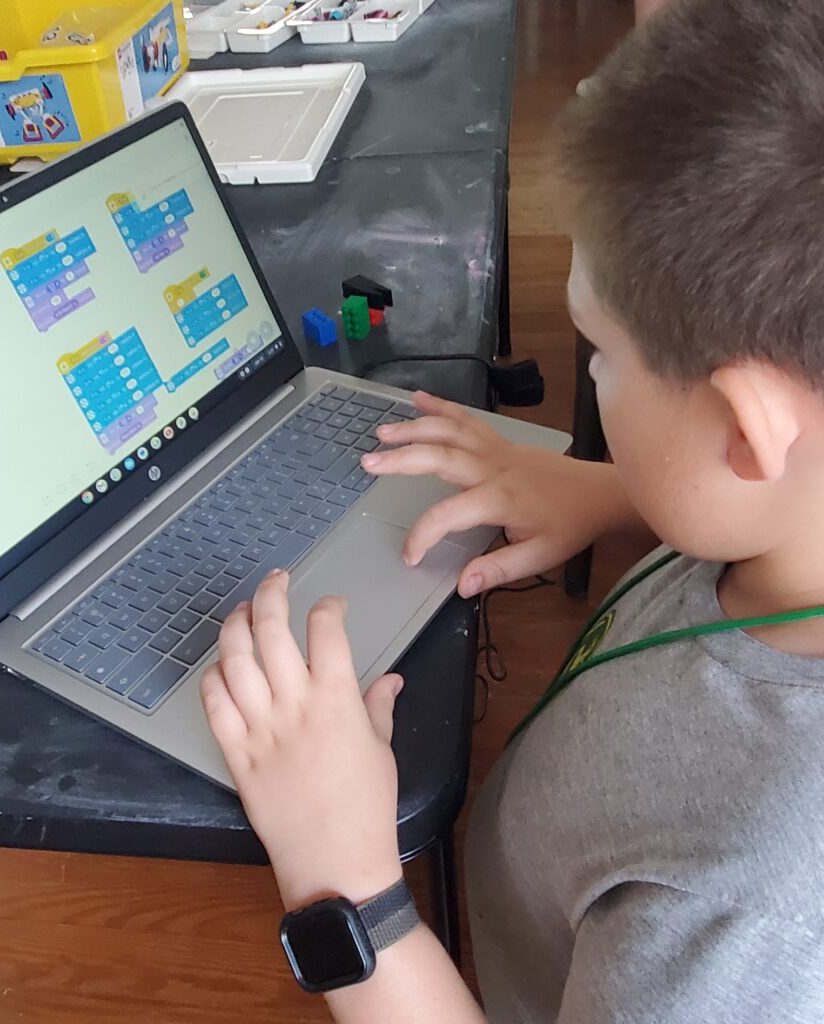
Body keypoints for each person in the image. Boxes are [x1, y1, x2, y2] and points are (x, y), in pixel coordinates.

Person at [200, 0, 824, 1020]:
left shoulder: (753, 915)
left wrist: (346, 885)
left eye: (603, 357)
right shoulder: (784, 526)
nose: (595, 384)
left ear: (745, 432)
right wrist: (611, 488)